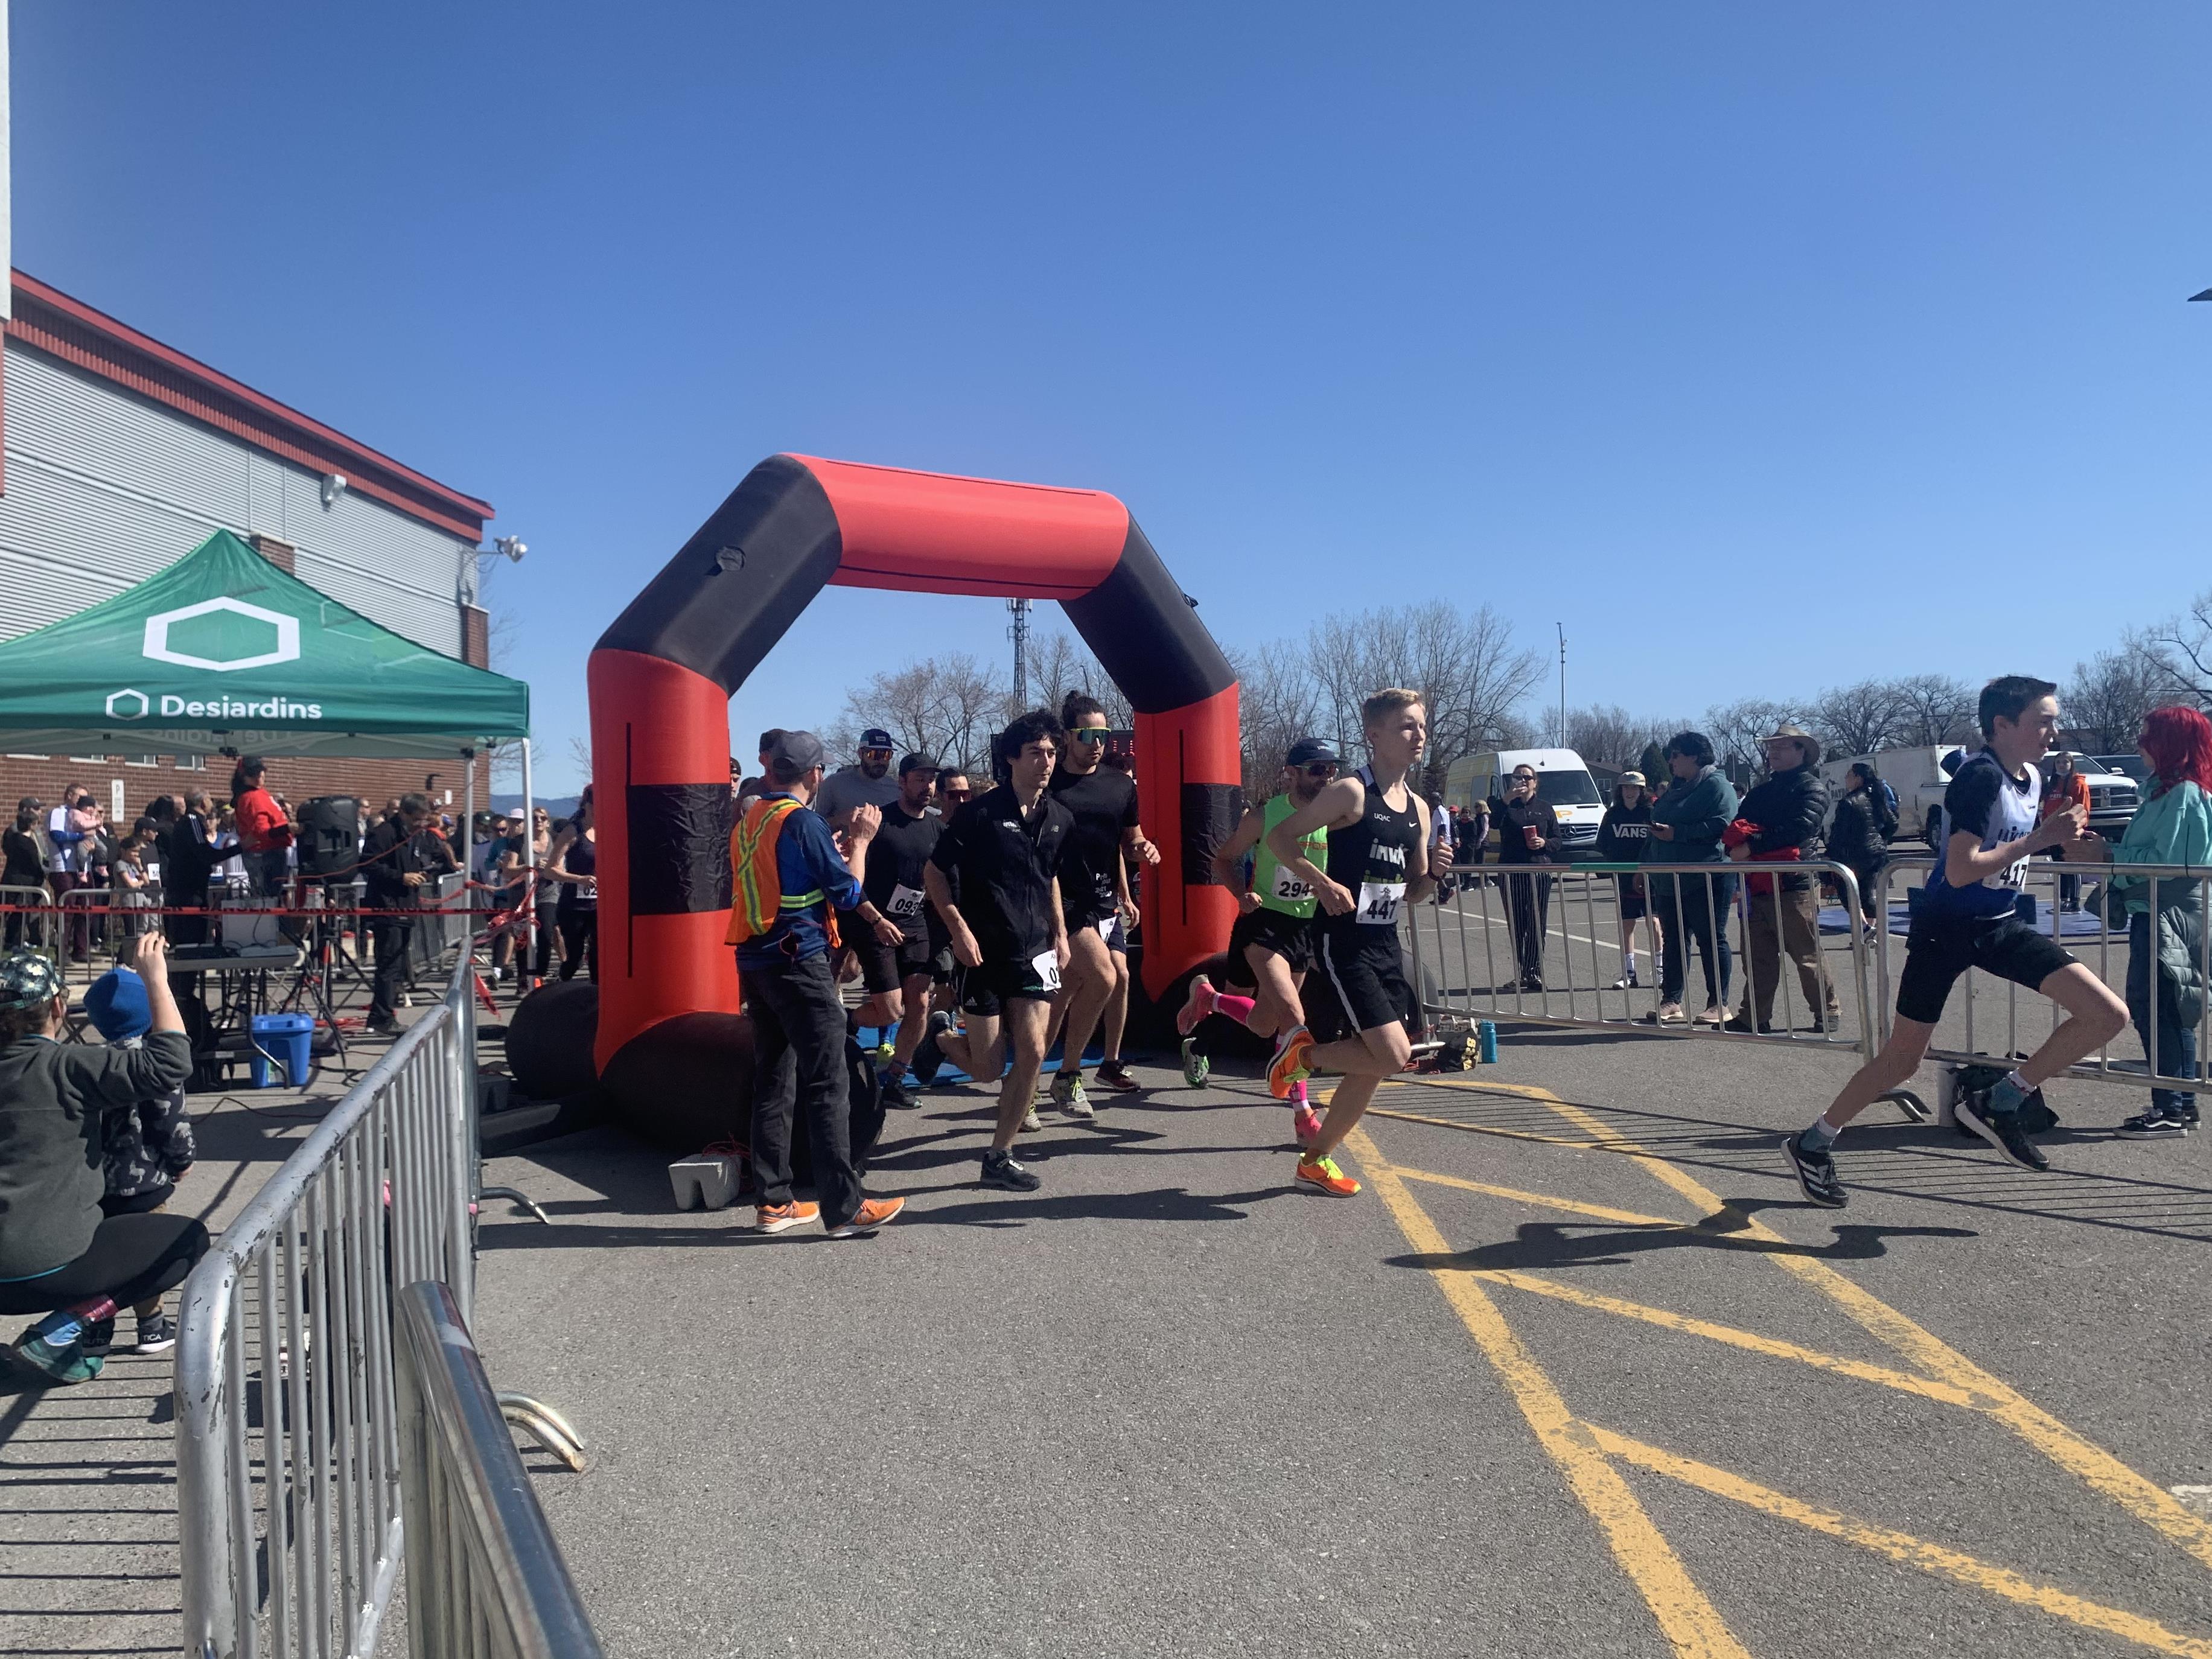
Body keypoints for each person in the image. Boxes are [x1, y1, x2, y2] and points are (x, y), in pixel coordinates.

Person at [1782, 677, 2128, 1207]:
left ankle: (2002, 1099)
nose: (2052, 732)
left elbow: (2013, 852)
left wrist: (2080, 851)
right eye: (2042, 720)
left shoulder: (2031, 777)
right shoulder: (1979, 778)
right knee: (1901, 1061)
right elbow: (1962, 868)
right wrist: (2040, 839)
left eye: (2053, 720)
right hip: (1944, 929)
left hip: (1999, 925)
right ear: (2002, 726)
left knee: (2106, 1015)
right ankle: (1812, 1143)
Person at [1263, 690, 1453, 1197]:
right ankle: (1299, 1059)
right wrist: (1319, 882)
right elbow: (1280, 839)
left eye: (1421, 726)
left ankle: (1314, 1159)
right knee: (1392, 1055)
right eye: (1407, 727)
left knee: (1373, 1065)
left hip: (1385, 941)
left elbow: (1413, 891)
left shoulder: (1418, 808)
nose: (1419, 736)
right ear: (1375, 735)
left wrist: (1433, 873)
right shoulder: (1350, 793)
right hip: (1342, 942)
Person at [0, 934, 206, 1384]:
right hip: (52, 1267)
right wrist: (156, 980)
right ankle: (66, 1325)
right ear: (58, 1008)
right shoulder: (69, 1066)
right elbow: (169, 1064)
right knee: (186, 1241)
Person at [726, 730, 907, 1238]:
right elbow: (846, 888)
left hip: (756, 961)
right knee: (830, 1081)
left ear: (770, 770)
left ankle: (774, 1202)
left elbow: (779, 876)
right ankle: (843, 1207)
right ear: (815, 775)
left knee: (774, 1082)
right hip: (799, 961)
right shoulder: (801, 820)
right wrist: (863, 844)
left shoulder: (752, 818)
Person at [925, 710, 1074, 1193]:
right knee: (989, 1070)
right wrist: (958, 930)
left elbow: (1049, 875)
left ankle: (999, 1154)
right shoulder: (980, 814)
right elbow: (934, 873)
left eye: (1051, 753)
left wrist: (1061, 932)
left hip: (1033, 951)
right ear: (1012, 758)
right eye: (1035, 753)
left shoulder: (1059, 817)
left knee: (1032, 1050)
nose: (1046, 762)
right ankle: (943, 1037)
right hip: (982, 953)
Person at [2062, 705, 2212, 1139]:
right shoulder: (2170, 791)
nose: (2139, 743)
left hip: (2168, 914)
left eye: (2148, 734)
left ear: (2169, 743)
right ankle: (2179, 1103)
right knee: (2169, 1009)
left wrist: (2107, 855)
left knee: (2156, 1008)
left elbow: (2170, 863)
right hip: (2161, 910)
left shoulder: (2182, 793)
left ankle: (2170, 1106)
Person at [1182, 736, 1339, 1144]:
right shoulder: (1265, 815)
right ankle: (1302, 1112)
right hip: (1263, 924)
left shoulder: (1333, 818)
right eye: (1317, 769)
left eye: (1331, 769)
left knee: (1262, 1022)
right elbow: (1221, 858)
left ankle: (1208, 1000)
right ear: (1292, 773)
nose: (1327, 777)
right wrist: (1240, 893)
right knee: (1294, 1016)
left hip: (1302, 928)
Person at [1044, 693, 1159, 1114]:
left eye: (1104, 734)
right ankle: (1067, 1074)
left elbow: (1130, 840)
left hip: (1103, 899)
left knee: (1077, 985)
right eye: (1088, 734)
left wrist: (1144, 850)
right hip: (1060, 897)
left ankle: (1033, 1072)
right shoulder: (1049, 783)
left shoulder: (1120, 785)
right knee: (1104, 977)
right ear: (1067, 737)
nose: (1097, 743)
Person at [81, 966, 195, 1355]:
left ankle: (96, 1329)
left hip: (98, 1184)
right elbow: (169, 1120)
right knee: (147, 1253)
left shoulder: (88, 1063)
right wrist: (182, 1159)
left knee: (102, 1256)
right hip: (147, 1179)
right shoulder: (156, 1062)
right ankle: (151, 1325)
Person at [1723, 724, 1841, 1035]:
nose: (1773, 752)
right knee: (1757, 957)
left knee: (1806, 955)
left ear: (1802, 752)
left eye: (1782, 746)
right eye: (1771, 747)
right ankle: (1753, 1017)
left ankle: (1827, 1013)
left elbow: (1799, 829)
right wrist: (1736, 844)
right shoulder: (1762, 791)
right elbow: (1737, 826)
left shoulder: (1812, 788)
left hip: (1793, 883)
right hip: (1755, 882)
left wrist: (1751, 845)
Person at [853, 754, 951, 1110]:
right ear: (903, 781)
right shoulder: (880, 821)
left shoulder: (938, 829)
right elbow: (853, 875)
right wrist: (874, 919)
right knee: (890, 1010)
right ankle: (849, 1021)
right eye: (920, 779)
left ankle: (894, 1078)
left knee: (921, 1004)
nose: (928, 787)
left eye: (932, 780)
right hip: (875, 923)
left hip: (915, 924)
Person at [1643, 732, 1739, 1027]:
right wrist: (1644, 865)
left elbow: (1722, 824)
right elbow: (1657, 828)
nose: (1669, 760)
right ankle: (1671, 1001)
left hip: (1706, 876)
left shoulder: (1716, 785)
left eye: (1675, 754)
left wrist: (1677, 834)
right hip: (1668, 876)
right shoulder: (1675, 788)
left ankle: (1718, 1003)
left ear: (1694, 756)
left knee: (1711, 938)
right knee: (1673, 939)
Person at [360, 794, 432, 1034]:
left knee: (398, 965)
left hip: (406, 906)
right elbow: (368, 864)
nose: (421, 825)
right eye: (417, 820)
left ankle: (383, 1014)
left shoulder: (416, 837)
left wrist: (423, 872)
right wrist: (400, 877)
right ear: (403, 814)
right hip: (387, 906)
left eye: (424, 820)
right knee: (388, 964)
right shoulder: (384, 834)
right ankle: (382, 1017)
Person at [1488, 763, 1561, 992]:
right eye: (1517, 777)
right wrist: (1507, 799)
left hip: (1539, 870)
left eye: (1527, 777)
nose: (1522, 781)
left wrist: (1545, 843)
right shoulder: (1505, 806)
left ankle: (1534, 972)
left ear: (1535, 782)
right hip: (1512, 872)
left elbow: (1558, 840)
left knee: (1537, 923)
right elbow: (1493, 823)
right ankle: (1522, 972)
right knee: (1518, 924)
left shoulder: (1545, 808)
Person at [1596, 772, 1660, 990]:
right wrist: (1616, 860)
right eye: (1626, 788)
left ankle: (1661, 971)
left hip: (1649, 875)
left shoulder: (1650, 813)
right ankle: (1629, 973)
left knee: (1654, 922)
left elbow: (1659, 844)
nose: (1630, 792)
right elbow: (1602, 843)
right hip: (1623, 876)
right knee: (1627, 923)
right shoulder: (1613, 815)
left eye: (1634, 788)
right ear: (1620, 790)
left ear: (1642, 791)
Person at [1827, 762, 1896, 938]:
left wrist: (1832, 855)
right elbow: (1893, 823)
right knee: (1866, 894)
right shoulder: (1877, 797)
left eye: (1849, 775)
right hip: (1876, 854)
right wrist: (1882, 839)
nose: (1846, 779)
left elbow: (1839, 834)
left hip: (1854, 856)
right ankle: (1871, 932)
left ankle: (1865, 929)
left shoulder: (1848, 802)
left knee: (1848, 893)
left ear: (1858, 778)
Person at [548, 788, 599, 981]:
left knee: (599, 954)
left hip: (599, 905)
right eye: (593, 805)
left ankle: (596, 995)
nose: (596, 810)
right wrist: (580, 879)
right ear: (585, 806)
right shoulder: (573, 831)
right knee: (575, 956)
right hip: (574, 905)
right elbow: (550, 870)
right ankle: (560, 985)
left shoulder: (605, 829)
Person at [161, 791, 220, 949]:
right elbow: (204, 854)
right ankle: (188, 971)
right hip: (189, 892)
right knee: (191, 938)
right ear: (203, 803)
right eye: (209, 799)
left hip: (191, 889)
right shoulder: (192, 821)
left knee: (194, 936)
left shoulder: (188, 823)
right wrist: (239, 848)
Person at [814, 728, 904, 829]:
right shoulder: (834, 784)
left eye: (886, 755)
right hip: (846, 844)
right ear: (861, 753)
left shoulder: (896, 790)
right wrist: (840, 819)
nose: (880, 761)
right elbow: (816, 826)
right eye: (874, 754)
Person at [230, 757, 293, 898]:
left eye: (260, 772)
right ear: (244, 777)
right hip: (265, 856)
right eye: (254, 774)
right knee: (269, 900)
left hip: (268, 853)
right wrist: (289, 829)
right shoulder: (251, 797)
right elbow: (261, 832)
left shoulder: (258, 793)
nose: (259, 777)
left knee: (273, 900)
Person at [47, 785, 95, 962]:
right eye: (80, 797)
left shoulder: (85, 815)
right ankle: (63, 951)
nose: (83, 802)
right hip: (64, 867)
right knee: (67, 911)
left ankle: (81, 950)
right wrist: (81, 837)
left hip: (83, 868)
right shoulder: (59, 813)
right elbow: (57, 835)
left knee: (86, 909)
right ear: (69, 796)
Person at [2041, 749, 2092, 911]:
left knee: (2072, 868)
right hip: (2053, 834)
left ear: (2071, 765)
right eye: (2058, 762)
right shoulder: (2053, 785)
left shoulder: (2078, 784)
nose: (2062, 765)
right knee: (2060, 869)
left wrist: (2077, 831)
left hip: (2071, 834)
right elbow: (2047, 809)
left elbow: (2083, 808)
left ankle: (2075, 902)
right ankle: (2063, 901)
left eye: (2065, 762)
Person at [4, 800, 45, 950]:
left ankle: (25, 939)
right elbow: (32, 859)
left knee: (25, 912)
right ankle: (14, 941)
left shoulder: (28, 835)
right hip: (23, 880)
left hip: (26, 879)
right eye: (36, 809)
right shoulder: (17, 835)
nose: (39, 812)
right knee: (19, 912)